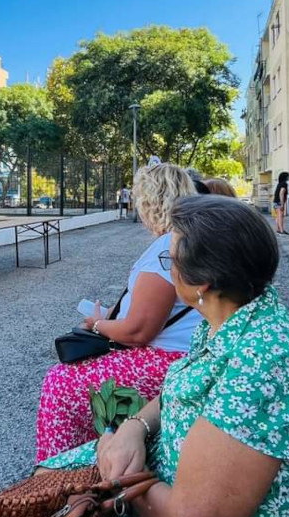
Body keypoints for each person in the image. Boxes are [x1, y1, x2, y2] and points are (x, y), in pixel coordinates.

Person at [34, 195, 289, 517]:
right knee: (43, 485)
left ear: (203, 283)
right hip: (170, 481)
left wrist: (121, 476)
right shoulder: (233, 317)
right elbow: (179, 389)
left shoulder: (263, 363)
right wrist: (135, 428)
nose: (169, 268)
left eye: (170, 260)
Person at [35, 164, 201, 463]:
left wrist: (98, 324)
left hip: (168, 361)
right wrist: (113, 315)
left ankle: (57, 475)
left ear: (151, 201)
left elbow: (139, 332)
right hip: (182, 358)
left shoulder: (167, 246)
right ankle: (87, 461)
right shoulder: (185, 238)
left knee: (60, 382)